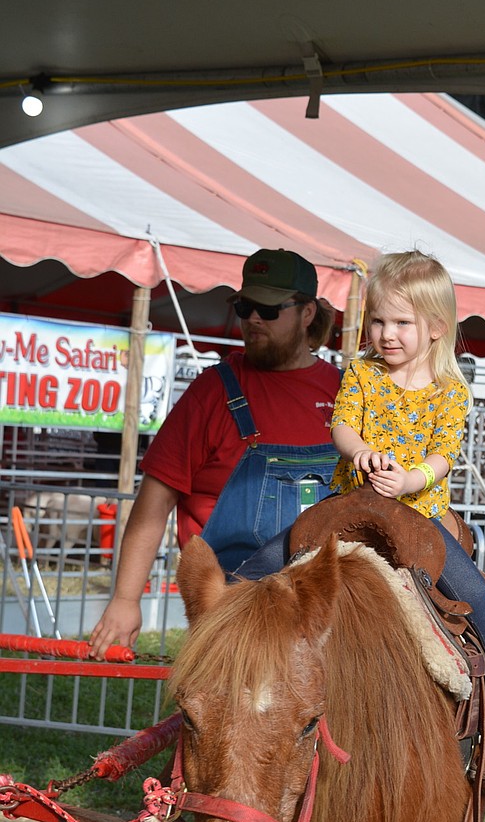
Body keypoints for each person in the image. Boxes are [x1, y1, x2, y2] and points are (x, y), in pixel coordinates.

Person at [329, 249, 485, 750]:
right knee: (269, 564)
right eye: (378, 321)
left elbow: (445, 454)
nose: (387, 334)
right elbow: (342, 424)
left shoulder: (449, 391)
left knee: (477, 595)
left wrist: (410, 481)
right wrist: (360, 452)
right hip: (351, 503)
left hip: (419, 514)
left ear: (435, 327)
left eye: (401, 322)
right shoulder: (362, 373)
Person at [88, 248, 340, 658]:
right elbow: (154, 502)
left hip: (321, 608)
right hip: (230, 606)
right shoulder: (213, 392)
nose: (253, 319)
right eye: (244, 307)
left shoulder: (345, 393)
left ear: (307, 313)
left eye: (268, 309)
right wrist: (125, 599)